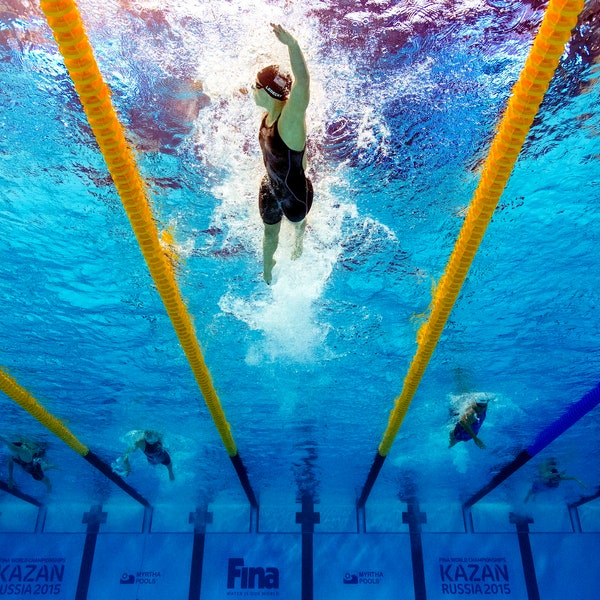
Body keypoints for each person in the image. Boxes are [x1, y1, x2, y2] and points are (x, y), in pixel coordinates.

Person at [253, 23, 313, 284]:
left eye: (255, 85)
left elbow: (303, 83)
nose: (251, 89)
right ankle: (268, 271)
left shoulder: (288, 121)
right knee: (269, 235)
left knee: (298, 224)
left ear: (268, 92)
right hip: (270, 186)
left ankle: (299, 243)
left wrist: (292, 44)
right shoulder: (269, 113)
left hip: (295, 193)